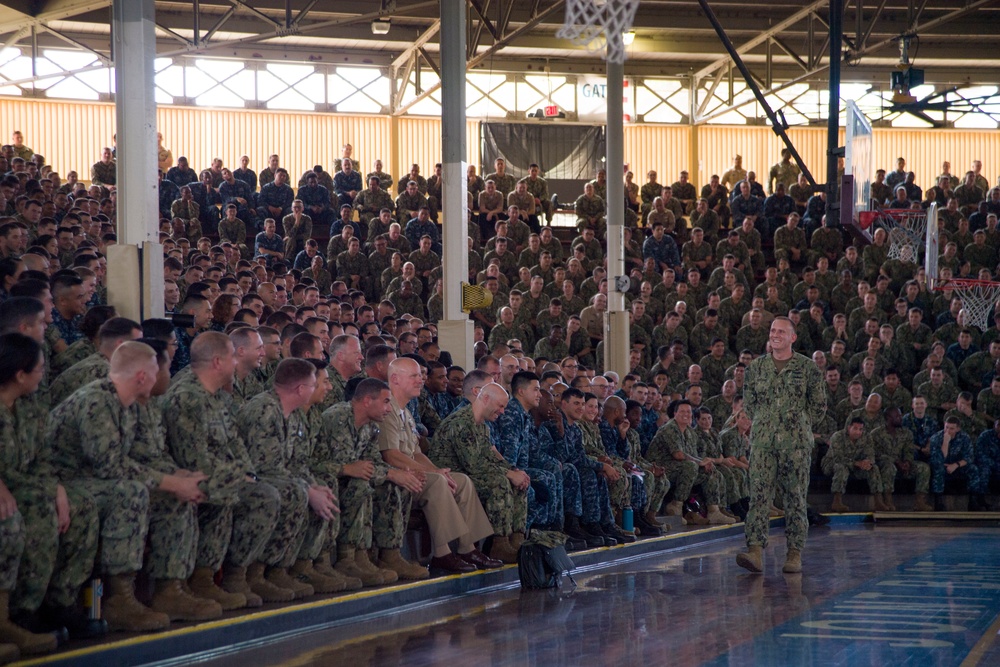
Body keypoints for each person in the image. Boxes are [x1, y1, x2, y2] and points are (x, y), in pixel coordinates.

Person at [377, 358, 500, 573]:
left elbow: (416, 452)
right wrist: (434, 474)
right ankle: (442, 554)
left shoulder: (405, 413)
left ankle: (467, 547)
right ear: (395, 379)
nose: (420, 380)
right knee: (437, 483)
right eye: (414, 376)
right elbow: (391, 455)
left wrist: (437, 470)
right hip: (397, 476)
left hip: (414, 473)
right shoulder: (388, 411)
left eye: (420, 375)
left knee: (461, 481)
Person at [737, 316, 826, 574]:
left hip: (796, 445)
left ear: (792, 338)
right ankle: (754, 551)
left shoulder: (808, 368)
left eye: (781, 331)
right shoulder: (755, 368)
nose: (775, 335)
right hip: (763, 444)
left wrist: (797, 423)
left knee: (795, 499)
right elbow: (750, 404)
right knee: (759, 498)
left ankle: (794, 554)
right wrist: (767, 422)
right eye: (772, 330)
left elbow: (818, 406)